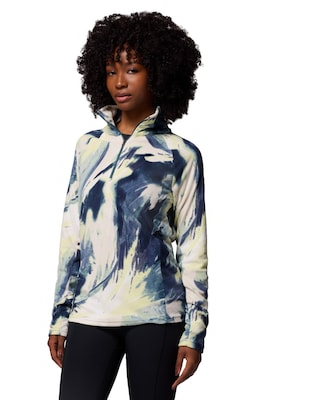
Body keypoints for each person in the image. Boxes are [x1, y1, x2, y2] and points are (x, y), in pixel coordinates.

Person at [47, 11, 208, 400]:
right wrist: (60, 316)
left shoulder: (180, 154)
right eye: (110, 71)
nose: (119, 81)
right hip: (91, 311)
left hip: (158, 314)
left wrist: (194, 332)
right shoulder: (88, 147)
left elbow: (193, 247)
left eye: (132, 69)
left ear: (159, 73)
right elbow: (73, 235)